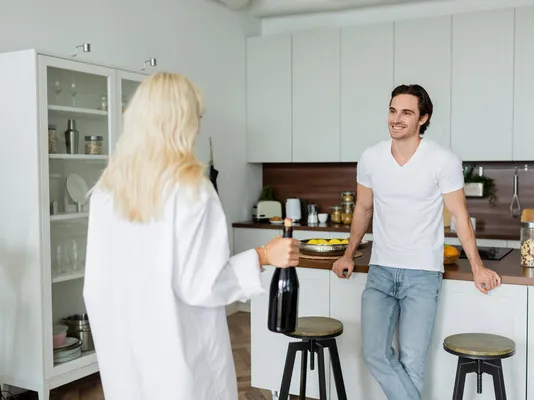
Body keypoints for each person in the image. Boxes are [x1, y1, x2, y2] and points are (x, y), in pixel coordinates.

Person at [82, 71, 300, 400]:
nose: (198, 126)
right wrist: (263, 255)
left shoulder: (106, 191)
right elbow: (203, 284)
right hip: (181, 356)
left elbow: (96, 286)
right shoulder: (191, 189)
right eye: (196, 116)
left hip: (125, 359)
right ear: (182, 121)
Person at [332, 84, 501, 399]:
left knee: (412, 362)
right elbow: (363, 209)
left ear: (423, 118)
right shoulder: (370, 158)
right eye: (393, 110)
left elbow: (460, 216)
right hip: (380, 270)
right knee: (374, 353)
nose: (396, 119)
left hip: (422, 274)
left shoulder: (442, 160)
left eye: (406, 112)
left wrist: (478, 267)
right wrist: (348, 255)